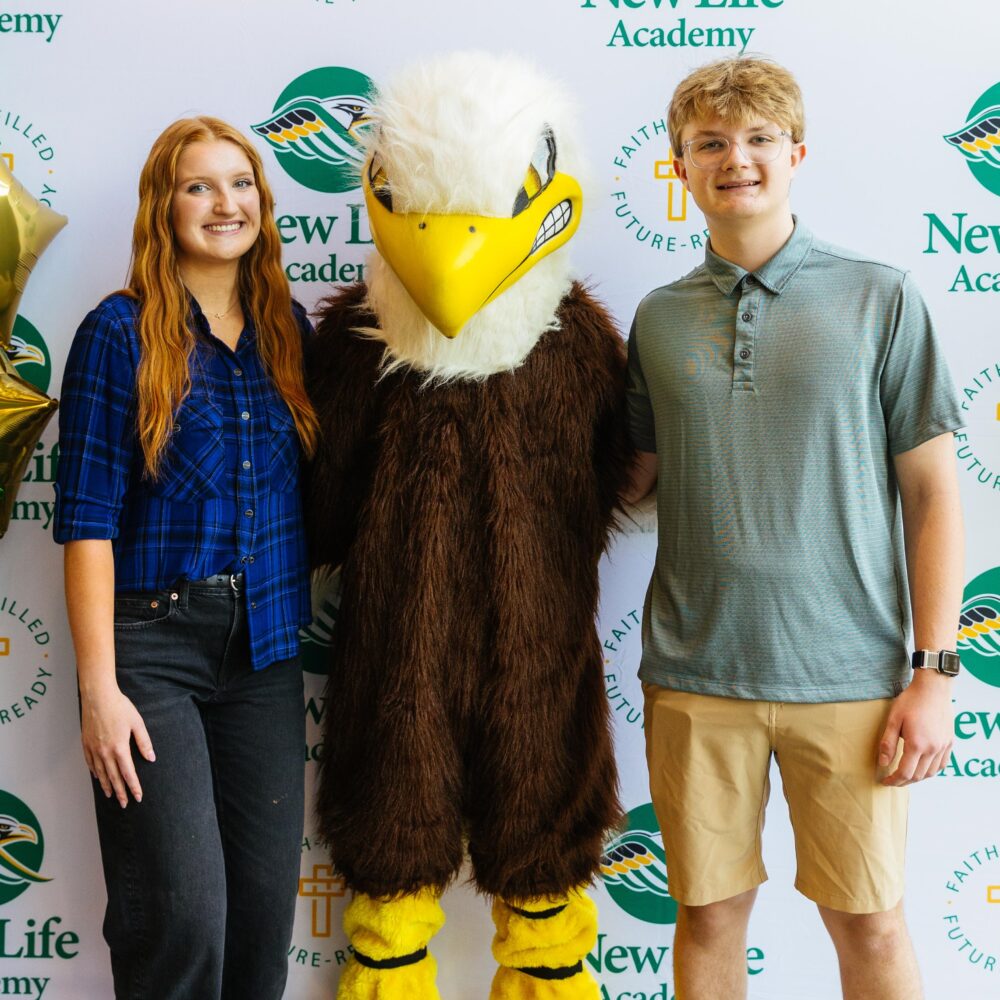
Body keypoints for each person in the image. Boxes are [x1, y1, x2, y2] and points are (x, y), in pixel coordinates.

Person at [624, 57, 964, 1000]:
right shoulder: (655, 320)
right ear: (681, 166)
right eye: (711, 144)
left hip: (849, 676)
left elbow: (934, 493)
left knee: (873, 927)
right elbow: (627, 480)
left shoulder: (880, 297)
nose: (737, 159)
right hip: (693, 674)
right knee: (705, 919)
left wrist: (934, 676)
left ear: (797, 153)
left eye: (760, 139)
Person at [53, 116, 318, 1000]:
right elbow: (86, 523)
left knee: (258, 927)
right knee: (182, 918)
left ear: (264, 205)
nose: (224, 203)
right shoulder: (117, 334)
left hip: (267, 655)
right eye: (198, 186)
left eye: (240, 184)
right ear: (163, 207)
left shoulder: (288, 334)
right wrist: (100, 691)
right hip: (153, 655)